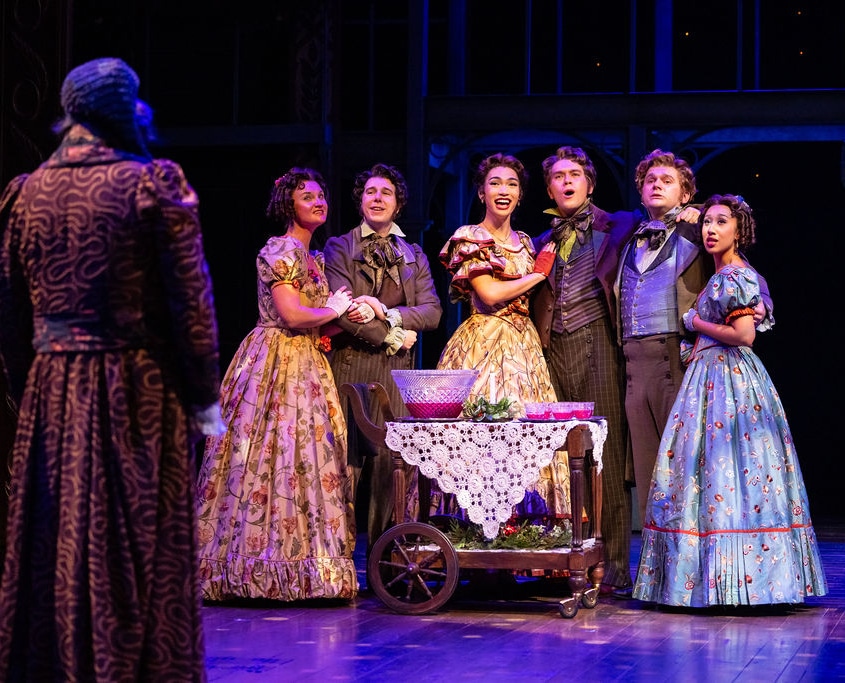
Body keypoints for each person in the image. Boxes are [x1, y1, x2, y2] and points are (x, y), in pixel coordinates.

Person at [0, 57, 222, 681]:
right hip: (136, 388)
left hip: (51, 390)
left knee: (60, 536)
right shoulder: (152, 183)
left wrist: (32, 391)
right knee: (133, 540)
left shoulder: (25, 192)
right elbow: (190, 305)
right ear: (121, 108)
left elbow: (10, 312)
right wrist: (204, 399)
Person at [632, 194, 827, 607]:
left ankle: (744, 582)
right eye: (707, 222)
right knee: (714, 472)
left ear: (740, 231)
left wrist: (696, 322)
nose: (711, 229)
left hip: (728, 379)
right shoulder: (723, 275)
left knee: (728, 467)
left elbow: (744, 336)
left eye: (722, 222)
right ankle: (720, 580)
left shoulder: (734, 276)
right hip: (712, 375)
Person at [196, 168, 360, 602]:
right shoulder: (282, 249)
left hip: (306, 359)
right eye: (307, 196)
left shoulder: (313, 258)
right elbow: (291, 315)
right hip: (275, 361)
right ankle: (252, 566)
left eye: (322, 194)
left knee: (303, 459)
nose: (318, 200)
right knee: (269, 455)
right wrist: (332, 309)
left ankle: (305, 568)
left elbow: (316, 321)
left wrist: (347, 314)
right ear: (289, 205)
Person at [437, 152, 568, 523]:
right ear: (481, 192)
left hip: (523, 347)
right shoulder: (470, 237)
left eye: (511, 184)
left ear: (521, 195)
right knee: (484, 432)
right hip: (484, 341)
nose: (503, 190)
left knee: (525, 436)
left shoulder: (526, 241)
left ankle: (523, 530)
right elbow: (490, 294)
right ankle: (477, 530)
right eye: (494, 183)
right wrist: (538, 274)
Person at [531, 146, 638, 596]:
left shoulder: (621, 225)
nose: (567, 182)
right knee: (558, 459)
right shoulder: (540, 241)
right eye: (559, 176)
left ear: (590, 184)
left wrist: (691, 214)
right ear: (550, 187)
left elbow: (662, 217)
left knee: (605, 461)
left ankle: (613, 565)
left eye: (575, 174)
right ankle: (565, 558)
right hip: (552, 349)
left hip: (599, 344)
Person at [323, 163, 442, 548]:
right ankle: (338, 560)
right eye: (370, 191)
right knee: (345, 464)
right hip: (350, 363)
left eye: (385, 193)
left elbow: (432, 312)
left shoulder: (413, 253)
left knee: (388, 468)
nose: (377, 198)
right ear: (360, 200)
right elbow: (344, 311)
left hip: (394, 375)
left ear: (398, 203)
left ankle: (381, 560)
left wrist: (384, 309)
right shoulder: (340, 246)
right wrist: (394, 335)